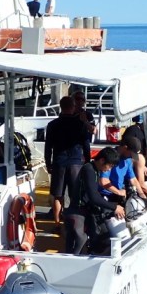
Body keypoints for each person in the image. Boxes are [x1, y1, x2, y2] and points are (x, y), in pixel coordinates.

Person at [64, 147, 124, 255]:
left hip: (87, 210)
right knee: (82, 241)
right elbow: (94, 197)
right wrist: (114, 207)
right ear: (102, 160)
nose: (109, 169)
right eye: (110, 166)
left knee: (102, 238)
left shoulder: (95, 170)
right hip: (78, 210)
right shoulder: (89, 170)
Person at [44, 96, 88, 224]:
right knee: (75, 196)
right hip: (76, 163)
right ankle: (74, 223)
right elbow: (86, 145)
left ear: (60, 107)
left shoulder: (52, 125)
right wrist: (88, 161)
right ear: (73, 107)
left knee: (58, 195)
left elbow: (48, 147)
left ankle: (57, 223)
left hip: (59, 162)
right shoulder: (80, 124)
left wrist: (48, 163)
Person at [99, 137, 147, 203]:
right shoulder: (110, 157)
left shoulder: (127, 160)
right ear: (125, 148)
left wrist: (143, 197)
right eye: (131, 154)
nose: (131, 157)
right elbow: (104, 181)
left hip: (118, 195)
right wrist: (119, 192)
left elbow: (133, 180)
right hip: (105, 195)